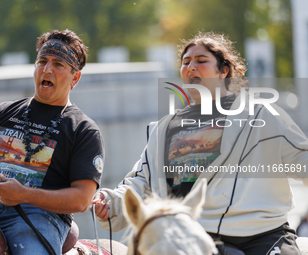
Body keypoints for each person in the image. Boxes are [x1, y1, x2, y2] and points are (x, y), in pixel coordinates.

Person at [91, 31, 306, 254]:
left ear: (224, 71)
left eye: (201, 61)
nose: (191, 66)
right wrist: (110, 201)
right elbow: (142, 181)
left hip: (261, 235)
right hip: (188, 234)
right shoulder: (164, 128)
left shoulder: (262, 115)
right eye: (185, 62)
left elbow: (303, 159)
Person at [0, 29, 105, 255]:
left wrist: (24, 195)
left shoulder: (84, 130)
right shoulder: (3, 112)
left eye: (58, 64)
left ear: (75, 78)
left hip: (42, 218)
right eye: (42, 61)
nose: (47, 69)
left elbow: (82, 199)